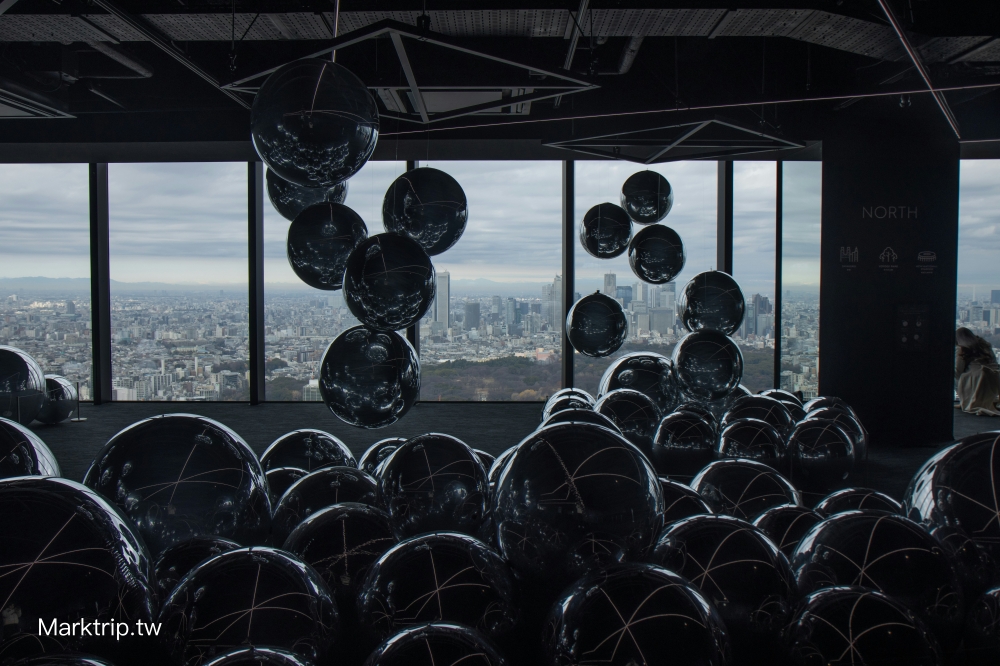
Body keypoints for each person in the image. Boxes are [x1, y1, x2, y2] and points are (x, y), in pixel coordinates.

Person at [956, 327, 1000, 416]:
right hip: (995, 377)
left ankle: (965, 400)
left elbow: (957, 371)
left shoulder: (962, 349)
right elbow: (994, 362)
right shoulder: (985, 346)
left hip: (978, 377)